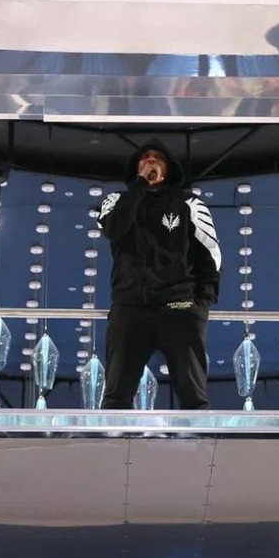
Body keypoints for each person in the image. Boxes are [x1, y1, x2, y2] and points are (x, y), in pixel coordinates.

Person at [97, 140, 221, 409]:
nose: (151, 161)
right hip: (129, 307)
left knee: (193, 396)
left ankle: (199, 437)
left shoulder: (189, 203)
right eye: (145, 157)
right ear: (136, 166)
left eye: (158, 157)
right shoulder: (116, 200)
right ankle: (114, 437)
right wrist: (139, 186)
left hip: (179, 306)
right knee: (116, 395)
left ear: (168, 167)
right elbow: (112, 229)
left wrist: (202, 303)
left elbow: (210, 255)